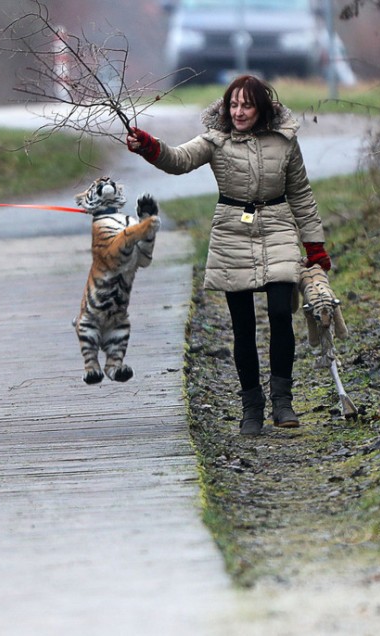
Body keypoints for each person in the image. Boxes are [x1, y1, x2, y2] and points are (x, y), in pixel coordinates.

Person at [127, 75, 331, 436]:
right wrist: (148, 146)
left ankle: (283, 402)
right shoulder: (214, 140)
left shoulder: (285, 140)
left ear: (262, 108)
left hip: (278, 227)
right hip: (232, 231)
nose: (238, 112)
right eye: (232, 105)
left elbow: (300, 192)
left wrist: (314, 245)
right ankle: (251, 408)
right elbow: (178, 160)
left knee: (282, 313)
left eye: (246, 105)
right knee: (243, 327)